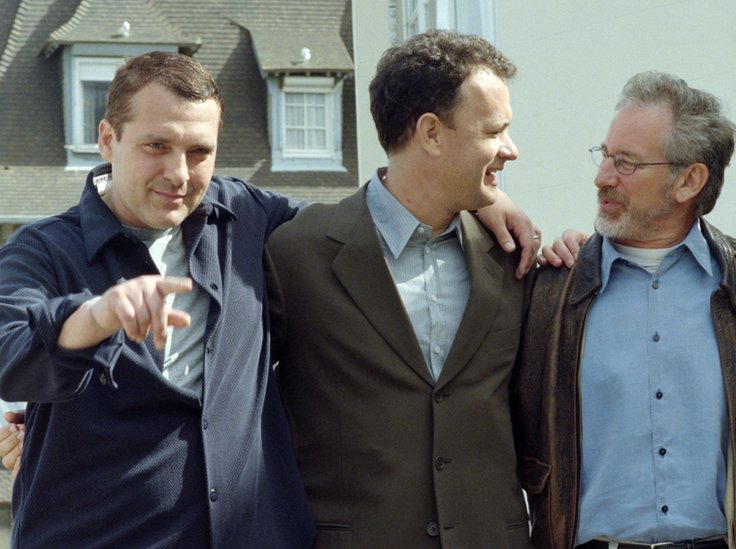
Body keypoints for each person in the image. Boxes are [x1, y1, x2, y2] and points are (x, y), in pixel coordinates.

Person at [0, 50, 538, 548]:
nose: (179, 174)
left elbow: (371, 217)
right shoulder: (42, 249)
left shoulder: (247, 218)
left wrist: (481, 194)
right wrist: (95, 316)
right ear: (108, 139)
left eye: (199, 151)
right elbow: (11, 354)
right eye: (155, 146)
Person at [264, 30, 532, 548]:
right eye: (494, 131)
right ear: (431, 133)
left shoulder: (514, 257)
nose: (510, 150)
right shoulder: (296, 253)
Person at [516, 71, 736, 549]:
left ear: (689, 180)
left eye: (627, 163)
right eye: (605, 155)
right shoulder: (549, 289)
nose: (602, 177)